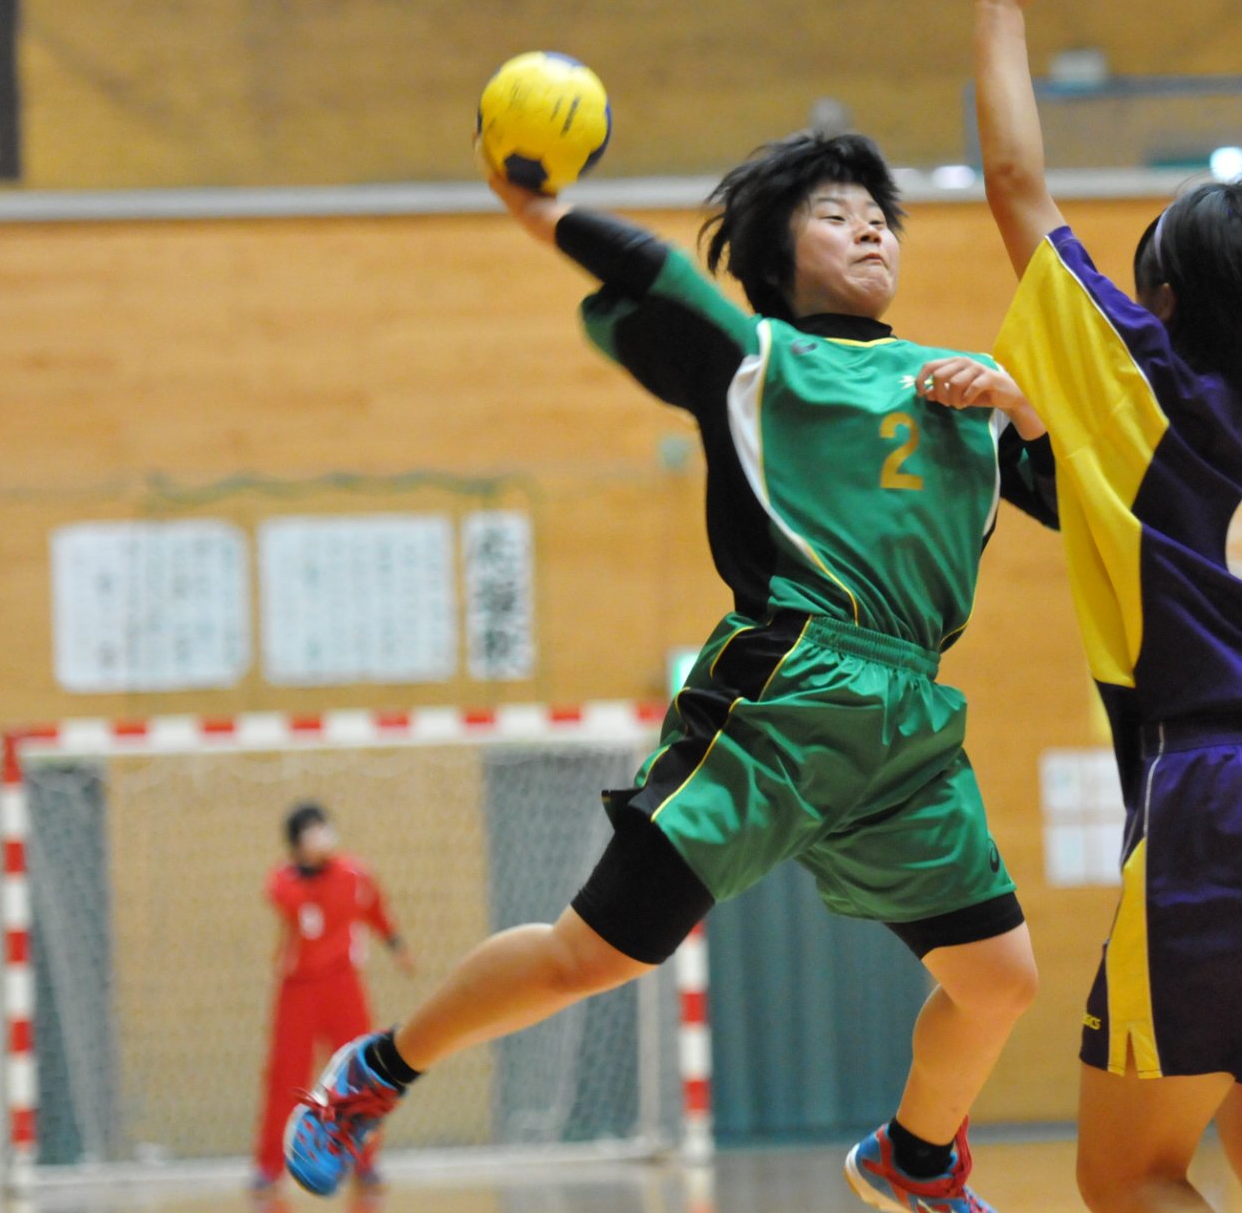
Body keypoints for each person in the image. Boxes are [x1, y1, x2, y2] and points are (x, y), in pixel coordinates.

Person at [286, 131, 1058, 1213]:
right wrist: (538, 210)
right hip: (787, 688)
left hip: (910, 718)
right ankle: (377, 1070)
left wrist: (1020, 404)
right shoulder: (759, 360)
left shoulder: (963, 390)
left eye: (879, 215)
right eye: (834, 214)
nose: (870, 228)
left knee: (998, 982)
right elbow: (654, 273)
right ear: (775, 253)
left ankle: (914, 1159)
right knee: (593, 955)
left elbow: (1075, 500)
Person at [935, 0, 1242, 1213]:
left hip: (1220, 799)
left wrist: (997, 3)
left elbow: (1015, 184)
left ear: (1167, 299)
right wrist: (1048, 436)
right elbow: (1195, 521)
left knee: (1127, 1173)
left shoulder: (1142, 388)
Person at [253, 802, 412, 1194]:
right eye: (313, 831)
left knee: (361, 1075)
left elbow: (375, 909)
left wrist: (396, 945)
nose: (324, 837)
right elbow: (293, 904)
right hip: (298, 988)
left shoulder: (354, 873)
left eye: (324, 828)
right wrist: (309, 870)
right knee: (286, 1076)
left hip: (343, 984)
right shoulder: (283, 879)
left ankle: (365, 1163)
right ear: (297, 842)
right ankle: (270, 1166)